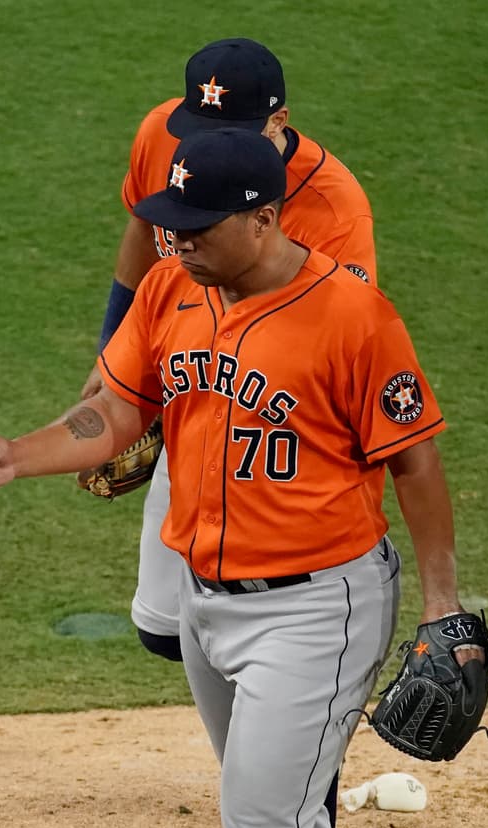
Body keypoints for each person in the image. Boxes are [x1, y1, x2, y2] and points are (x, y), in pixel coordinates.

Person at [0, 129, 480, 828]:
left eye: (199, 227)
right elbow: (120, 409)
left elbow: (415, 461)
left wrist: (441, 601)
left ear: (263, 219)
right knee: (272, 806)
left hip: (315, 611)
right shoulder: (170, 290)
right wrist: (17, 454)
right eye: (174, 222)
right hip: (203, 600)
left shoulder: (354, 316)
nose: (179, 240)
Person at [82, 37, 378, 669]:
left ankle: (296, 752)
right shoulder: (163, 137)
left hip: (275, 434)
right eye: (201, 128)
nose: (209, 148)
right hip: (196, 396)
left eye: (236, 131)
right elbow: (143, 225)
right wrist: (118, 359)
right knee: (164, 631)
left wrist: (199, 385)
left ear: (280, 123)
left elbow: (344, 344)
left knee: (263, 622)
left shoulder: (335, 208)